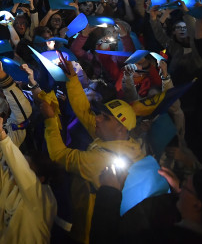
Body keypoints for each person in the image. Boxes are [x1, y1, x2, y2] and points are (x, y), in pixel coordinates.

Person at [39, 59, 144, 244]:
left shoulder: (102, 161)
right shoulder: (120, 141)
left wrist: (49, 120)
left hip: (86, 233)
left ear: (121, 129)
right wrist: (72, 79)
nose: (97, 119)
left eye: (105, 118)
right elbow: (84, 110)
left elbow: (60, 155)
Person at [0, 108, 57, 244]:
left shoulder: (43, 197)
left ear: (41, 178)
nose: (19, 169)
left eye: (27, 167)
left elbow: (19, 167)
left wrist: (1, 134)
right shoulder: (13, 183)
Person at [90, 166, 202, 243]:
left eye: (185, 187)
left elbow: (104, 239)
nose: (180, 190)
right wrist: (178, 191)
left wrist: (109, 191)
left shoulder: (164, 239)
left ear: (197, 205)